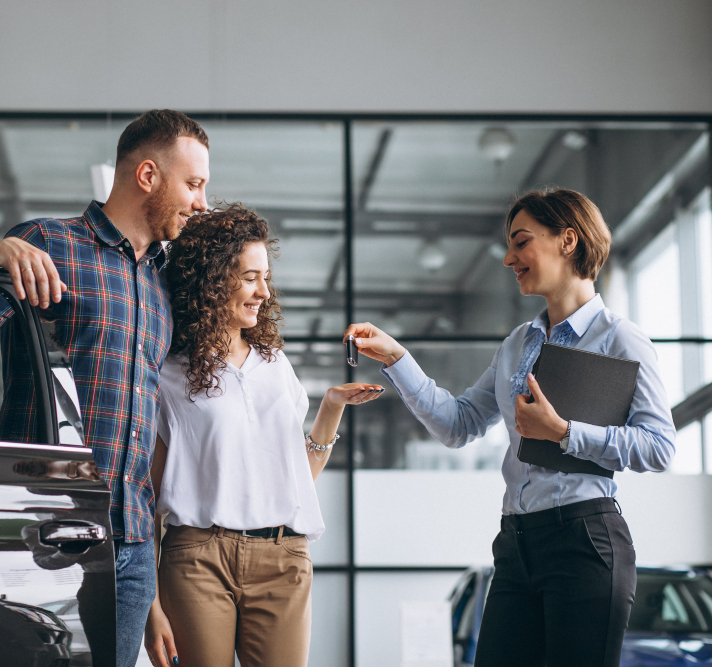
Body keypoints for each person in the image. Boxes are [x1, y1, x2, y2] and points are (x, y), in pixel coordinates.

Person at [0, 109, 210, 667]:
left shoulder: (163, 283)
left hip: (129, 547)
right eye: (193, 184)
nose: (200, 201)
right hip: (47, 535)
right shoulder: (47, 243)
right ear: (148, 175)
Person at [346, 188, 676, 667]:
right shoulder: (519, 344)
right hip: (516, 544)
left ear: (568, 240)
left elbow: (660, 446)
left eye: (521, 242)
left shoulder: (619, 338)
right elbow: (457, 424)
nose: (508, 257)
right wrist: (398, 358)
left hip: (584, 541)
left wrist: (564, 431)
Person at [144, 204, 383, 667]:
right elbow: (148, 498)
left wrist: (331, 407)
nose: (264, 292)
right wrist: (151, 606)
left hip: (283, 557)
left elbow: (298, 477)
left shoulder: (276, 367)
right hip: (198, 559)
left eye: (265, 277)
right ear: (212, 281)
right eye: (251, 277)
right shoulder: (168, 374)